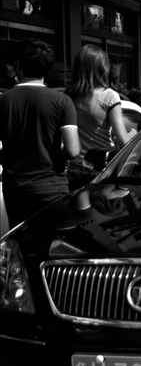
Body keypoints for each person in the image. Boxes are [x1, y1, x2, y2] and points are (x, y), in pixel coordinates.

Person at [1, 37, 80, 229]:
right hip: (52, 189)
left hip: (16, 189)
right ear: (48, 68)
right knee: (52, 247)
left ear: (18, 65)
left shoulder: (3, 101)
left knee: (20, 247)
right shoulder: (62, 101)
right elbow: (72, 151)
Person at [64, 44, 134, 190]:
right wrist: (134, 133)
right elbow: (123, 139)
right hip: (100, 168)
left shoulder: (69, 96)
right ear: (102, 68)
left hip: (73, 169)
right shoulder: (109, 96)